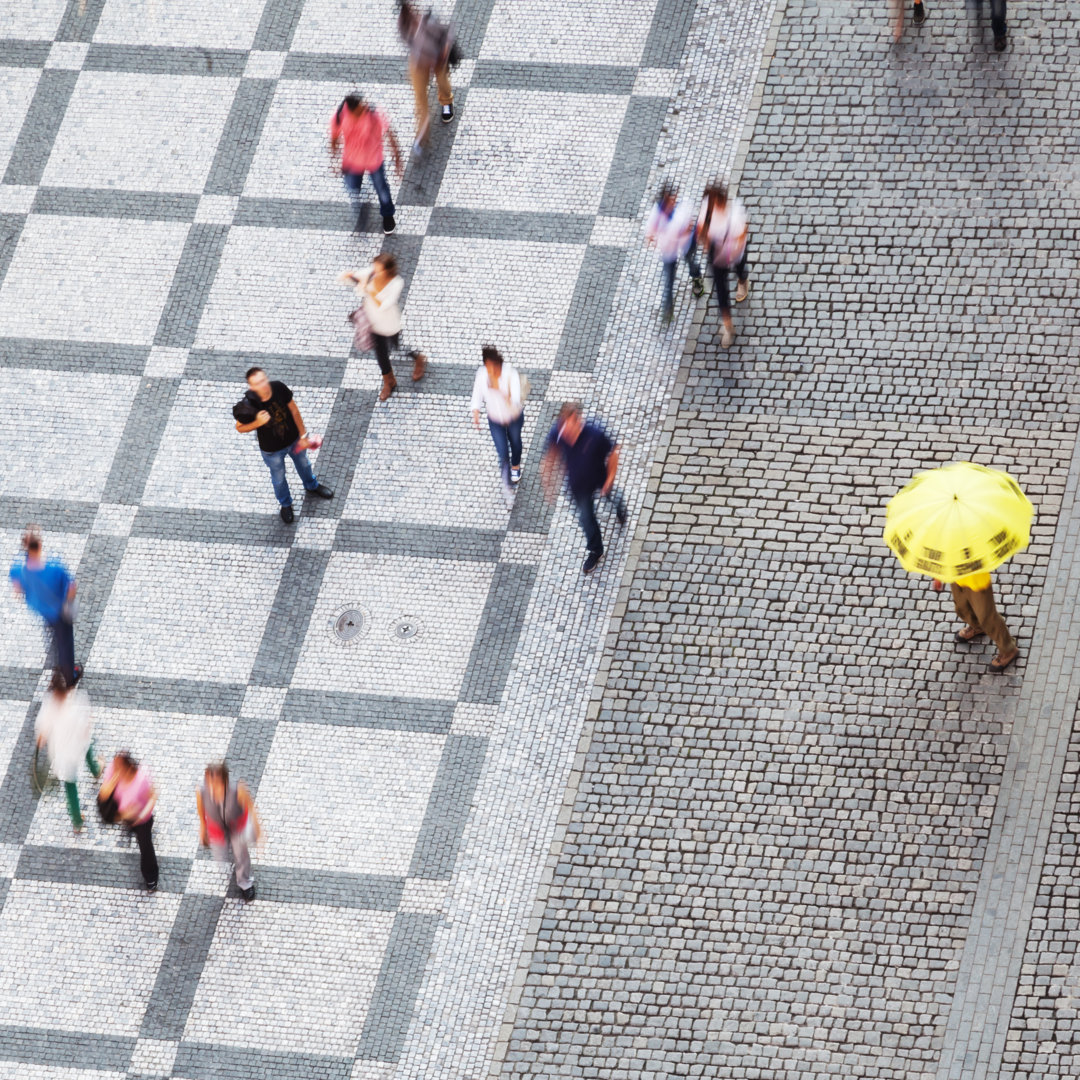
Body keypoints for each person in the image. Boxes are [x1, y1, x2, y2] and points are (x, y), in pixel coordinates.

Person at [234, 367, 334, 523]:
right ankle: (285, 504)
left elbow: (294, 411)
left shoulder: (278, 387)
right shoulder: (249, 404)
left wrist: (303, 436)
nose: (263, 385)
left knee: (304, 464)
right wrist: (257, 422)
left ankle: (311, 485)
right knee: (278, 478)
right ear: (251, 387)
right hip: (272, 450)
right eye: (258, 383)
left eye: (263, 380)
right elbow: (239, 427)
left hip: (294, 440)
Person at [541, 402, 627, 575]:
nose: (564, 430)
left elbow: (613, 453)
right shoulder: (558, 431)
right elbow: (550, 456)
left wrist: (609, 479)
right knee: (586, 519)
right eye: (563, 425)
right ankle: (596, 550)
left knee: (612, 496)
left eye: (569, 425)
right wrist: (548, 483)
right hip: (578, 486)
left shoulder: (594, 433)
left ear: (578, 420)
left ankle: (620, 506)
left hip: (599, 478)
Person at [340, 254, 426, 401]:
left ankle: (418, 357)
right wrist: (348, 276)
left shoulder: (396, 282)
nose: (375, 272)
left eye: (379, 270)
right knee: (381, 355)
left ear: (388, 270)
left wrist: (368, 289)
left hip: (389, 323)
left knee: (397, 347)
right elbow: (352, 279)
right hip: (372, 323)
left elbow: (384, 305)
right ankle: (389, 381)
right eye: (374, 268)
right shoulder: (370, 273)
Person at [10, 526, 80, 684]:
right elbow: (71, 588)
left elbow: (18, 589)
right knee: (65, 643)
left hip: (41, 609)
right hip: (59, 611)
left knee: (53, 638)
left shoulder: (18, 568)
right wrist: (68, 604)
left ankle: (58, 667)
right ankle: (69, 676)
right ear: (40, 545)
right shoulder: (54, 567)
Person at [328, 94, 404, 235]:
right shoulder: (340, 115)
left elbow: (390, 134)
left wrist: (397, 158)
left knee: (382, 189)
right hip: (352, 161)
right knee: (352, 188)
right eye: (361, 107)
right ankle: (361, 206)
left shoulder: (374, 113)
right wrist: (334, 158)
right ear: (351, 110)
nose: (365, 107)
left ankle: (388, 215)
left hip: (374, 159)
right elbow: (334, 137)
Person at [35, 669, 100, 833]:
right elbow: (86, 728)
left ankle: (77, 821)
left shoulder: (49, 706)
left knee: (70, 784)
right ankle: (96, 770)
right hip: (78, 743)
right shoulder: (76, 702)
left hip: (64, 751)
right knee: (87, 749)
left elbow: (41, 737)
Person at [398, 0, 456, 157]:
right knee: (420, 99)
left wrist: (444, 51)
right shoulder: (403, 25)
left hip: (438, 59)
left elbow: (447, 34)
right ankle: (422, 135)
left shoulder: (429, 20)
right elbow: (408, 43)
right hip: (419, 64)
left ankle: (447, 101)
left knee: (442, 81)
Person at [197, 762, 261, 902]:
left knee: (241, 854)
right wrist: (203, 826)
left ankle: (245, 884)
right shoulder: (203, 791)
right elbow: (201, 807)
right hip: (218, 828)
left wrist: (257, 831)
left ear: (224, 780)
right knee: (221, 852)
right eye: (209, 782)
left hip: (237, 825)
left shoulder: (238, 790)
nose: (212, 786)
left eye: (216, 782)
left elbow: (250, 808)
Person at [471, 345, 524, 508]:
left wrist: (500, 389)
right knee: (502, 454)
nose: (490, 370)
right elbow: (477, 394)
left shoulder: (510, 374)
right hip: (495, 420)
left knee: (515, 443)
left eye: (492, 366)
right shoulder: (482, 376)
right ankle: (507, 490)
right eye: (487, 366)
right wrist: (476, 411)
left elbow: (515, 400)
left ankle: (516, 465)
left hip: (513, 417)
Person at [697, 184, 749, 348]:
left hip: (733, 250)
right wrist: (706, 243)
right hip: (716, 253)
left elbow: (741, 235)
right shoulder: (707, 208)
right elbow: (700, 230)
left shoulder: (733, 217)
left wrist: (733, 252)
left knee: (740, 269)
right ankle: (728, 326)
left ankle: (743, 281)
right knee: (721, 290)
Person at [934, 572, 1019, 672]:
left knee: (987, 616)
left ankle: (1008, 649)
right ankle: (977, 626)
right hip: (956, 577)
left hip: (977, 580)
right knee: (962, 607)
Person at [99, 752, 159, 891]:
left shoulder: (141, 779)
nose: (116, 769)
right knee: (131, 829)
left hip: (142, 818)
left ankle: (151, 878)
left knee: (145, 846)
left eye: (119, 767)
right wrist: (113, 781)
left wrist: (140, 816)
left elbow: (152, 796)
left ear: (128, 767)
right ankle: (130, 828)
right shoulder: (112, 771)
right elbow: (103, 795)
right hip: (125, 816)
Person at [645, 183, 705, 322]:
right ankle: (667, 309)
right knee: (669, 279)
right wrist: (653, 239)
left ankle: (696, 278)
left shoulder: (682, 209)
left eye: (674, 197)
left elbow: (689, 228)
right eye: (670, 198)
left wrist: (678, 232)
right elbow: (650, 231)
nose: (673, 201)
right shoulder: (657, 212)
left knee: (691, 263)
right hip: (668, 249)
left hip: (685, 243)